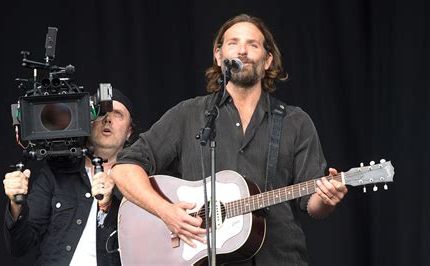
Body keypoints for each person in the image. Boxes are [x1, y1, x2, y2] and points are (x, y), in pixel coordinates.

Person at [111, 14, 348, 265]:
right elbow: (125, 168)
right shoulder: (188, 114)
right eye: (233, 43)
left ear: (268, 60)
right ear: (218, 55)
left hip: (278, 257)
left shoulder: (295, 121)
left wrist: (326, 198)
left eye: (253, 44)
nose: (243, 51)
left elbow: (312, 206)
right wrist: (166, 212)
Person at [3, 89, 136, 265]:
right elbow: (19, 246)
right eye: (101, 112)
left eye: (118, 114)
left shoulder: (140, 180)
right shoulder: (54, 174)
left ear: (129, 132)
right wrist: (15, 205)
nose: (108, 119)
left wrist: (110, 204)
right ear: (87, 123)